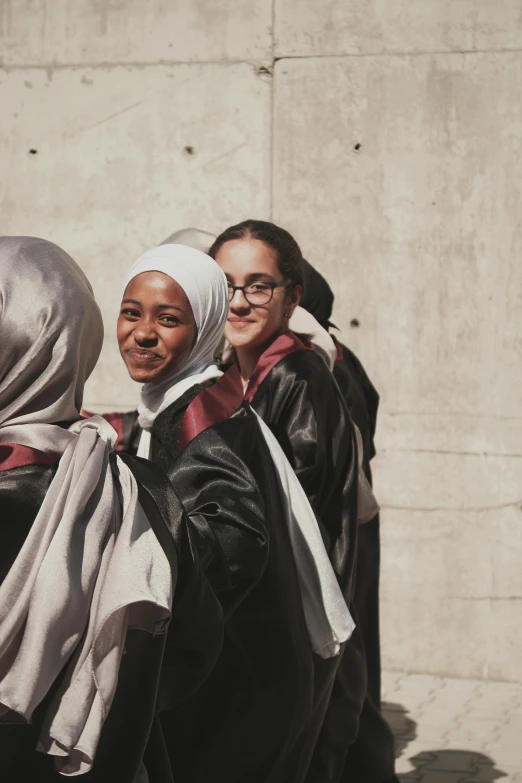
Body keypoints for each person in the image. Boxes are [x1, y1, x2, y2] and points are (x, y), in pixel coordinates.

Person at [112, 242, 353, 783]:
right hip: (247, 673)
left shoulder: (198, 416)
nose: (143, 333)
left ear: (203, 328)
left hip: (236, 684)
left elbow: (233, 546)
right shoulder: (189, 395)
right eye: (131, 312)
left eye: (169, 319)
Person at [0, 237, 222, 783]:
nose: (144, 333)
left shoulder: (208, 426)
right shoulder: (138, 489)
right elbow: (196, 641)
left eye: (169, 317)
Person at [211, 219, 398, 783]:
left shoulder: (297, 375)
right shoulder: (236, 372)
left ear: (292, 296)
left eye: (258, 285)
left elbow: (291, 523)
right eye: (225, 285)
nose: (239, 301)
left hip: (291, 630)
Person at [299, 257, 382, 707]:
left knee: (347, 667)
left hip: (340, 524)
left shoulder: (313, 363)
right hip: (355, 521)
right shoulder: (334, 353)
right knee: (358, 655)